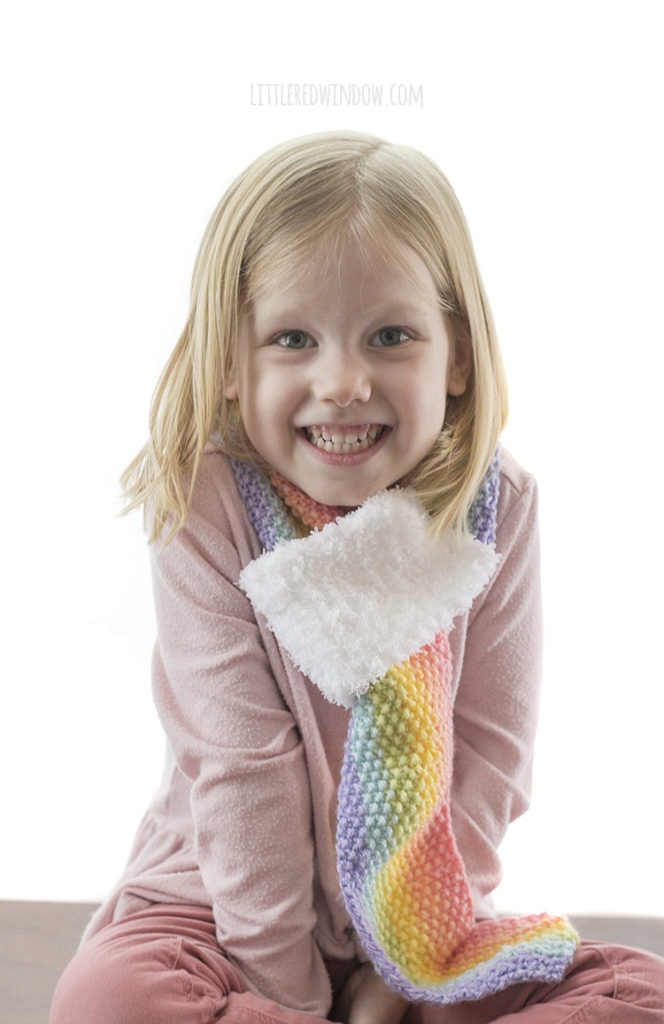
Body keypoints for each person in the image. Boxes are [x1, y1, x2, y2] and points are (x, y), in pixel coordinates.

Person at [50, 131, 664, 1023]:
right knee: (108, 1000)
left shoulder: (496, 506)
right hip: (220, 912)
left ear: (457, 355)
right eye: (293, 339)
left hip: (420, 915)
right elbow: (242, 769)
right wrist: (289, 995)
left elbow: (492, 752)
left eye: (391, 336)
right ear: (231, 361)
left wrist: (401, 976)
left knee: (641, 995)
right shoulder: (208, 504)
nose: (342, 381)